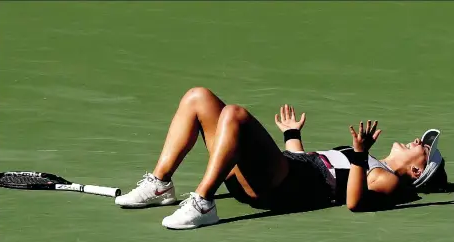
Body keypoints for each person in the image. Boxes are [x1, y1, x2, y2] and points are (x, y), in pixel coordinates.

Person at [115, 87, 449, 229]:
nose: (418, 140)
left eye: (424, 147)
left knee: (235, 115)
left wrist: (360, 157)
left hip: (280, 186)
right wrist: (292, 137)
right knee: (197, 97)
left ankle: (203, 203)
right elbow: (316, 167)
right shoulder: (365, 160)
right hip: (285, 172)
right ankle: (161, 185)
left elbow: (355, 203)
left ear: (418, 169)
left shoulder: (385, 177)